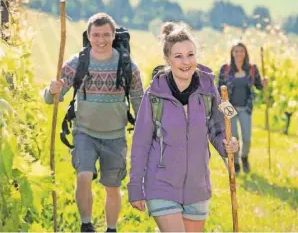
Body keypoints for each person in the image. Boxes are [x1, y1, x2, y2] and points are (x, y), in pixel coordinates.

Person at [127, 22, 239, 232]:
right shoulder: (154, 95)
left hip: (197, 186)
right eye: (178, 56)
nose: (186, 62)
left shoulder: (209, 90)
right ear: (167, 59)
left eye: (190, 54)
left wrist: (228, 145)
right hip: (161, 184)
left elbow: (218, 129)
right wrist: (135, 187)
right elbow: (140, 143)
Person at [42, 13, 144, 232]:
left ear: (113, 35)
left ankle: (111, 228)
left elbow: (138, 99)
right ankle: (86, 225)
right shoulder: (78, 62)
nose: (101, 40)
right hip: (84, 132)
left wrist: (146, 129)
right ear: (88, 36)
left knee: (112, 187)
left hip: (115, 135)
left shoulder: (127, 65)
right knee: (84, 176)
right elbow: (52, 98)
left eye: (106, 35)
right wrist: (52, 90)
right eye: (96, 35)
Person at [217, 41, 267, 174]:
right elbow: (219, 90)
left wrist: (263, 83)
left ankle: (244, 157)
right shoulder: (225, 69)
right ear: (232, 53)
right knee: (234, 138)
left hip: (246, 107)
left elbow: (259, 86)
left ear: (245, 53)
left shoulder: (252, 68)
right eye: (236, 51)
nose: (239, 54)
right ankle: (237, 163)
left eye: (241, 51)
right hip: (229, 108)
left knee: (247, 138)